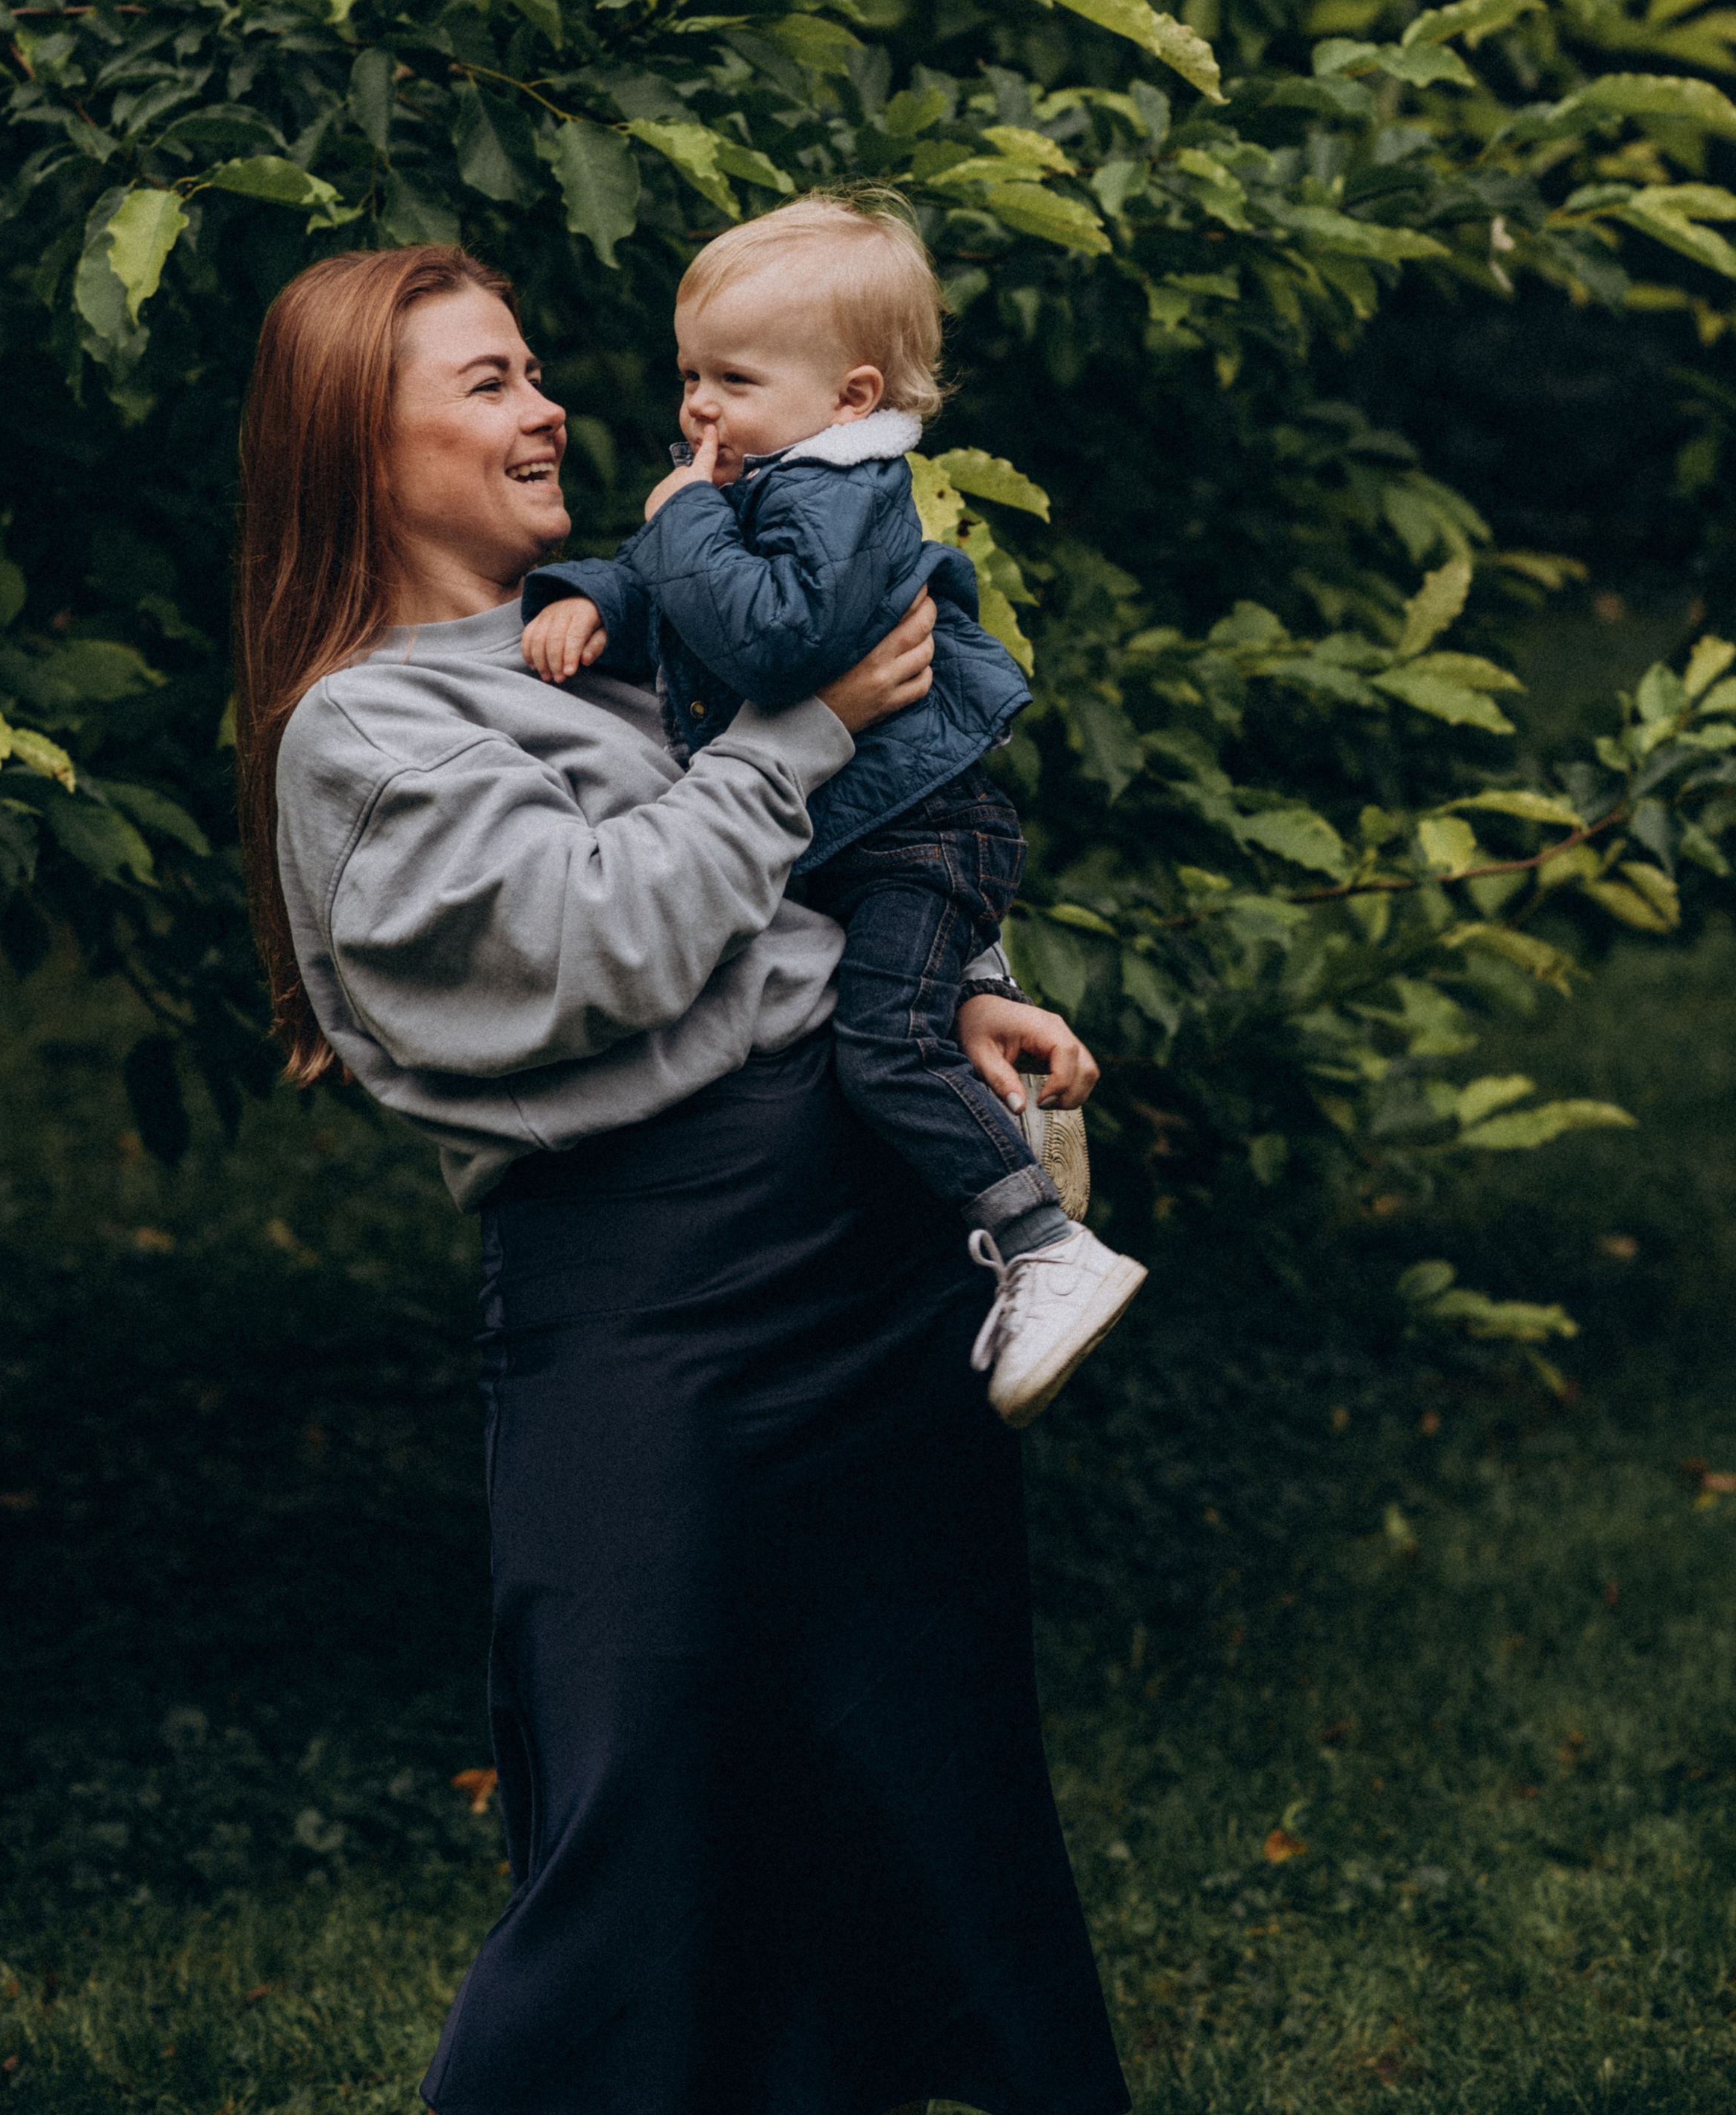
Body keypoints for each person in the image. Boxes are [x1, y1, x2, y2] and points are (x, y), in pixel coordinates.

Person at [234, 241, 1133, 2115]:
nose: (545, 403)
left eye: (533, 364)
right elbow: (594, 943)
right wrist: (814, 733)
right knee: (650, 1821)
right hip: (664, 1304)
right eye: (483, 382)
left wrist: (951, 993)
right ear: (353, 443)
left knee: (916, 1783)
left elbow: (792, 911)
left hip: (867, 1272)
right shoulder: (371, 726)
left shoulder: (644, 623)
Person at [519, 193, 1146, 1425]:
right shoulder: (752, 485)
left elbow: (770, 639)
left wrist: (681, 521)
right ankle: (997, 1037)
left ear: (852, 399)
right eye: (691, 371)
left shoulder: (846, 500)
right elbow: (676, 584)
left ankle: (1044, 1246)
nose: (698, 406)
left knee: (886, 1040)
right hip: (860, 837)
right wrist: (594, 597)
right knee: (917, 1010)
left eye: (735, 377)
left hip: (914, 838)